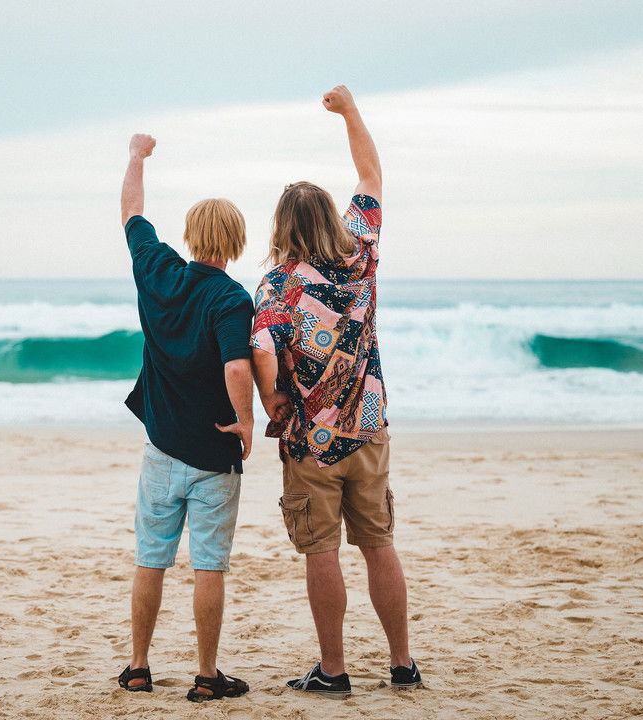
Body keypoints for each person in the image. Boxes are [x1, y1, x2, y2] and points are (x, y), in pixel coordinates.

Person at [250, 86, 422, 696]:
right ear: (330, 216)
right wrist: (349, 112)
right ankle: (402, 664)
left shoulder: (277, 287)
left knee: (321, 551)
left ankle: (334, 670)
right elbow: (371, 173)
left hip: (312, 442)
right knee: (379, 544)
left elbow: (262, 352)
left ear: (281, 227)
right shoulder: (361, 254)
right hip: (368, 426)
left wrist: (271, 402)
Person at [116, 132, 255, 703]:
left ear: (192, 237)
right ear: (236, 242)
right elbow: (237, 366)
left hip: (161, 446)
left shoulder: (157, 271)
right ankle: (206, 675)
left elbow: (131, 212)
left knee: (150, 559)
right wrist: (246, 422)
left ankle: (138, 667)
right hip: (214, 452)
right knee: (209, 566)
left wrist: (136, 157)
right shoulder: (232, 298)